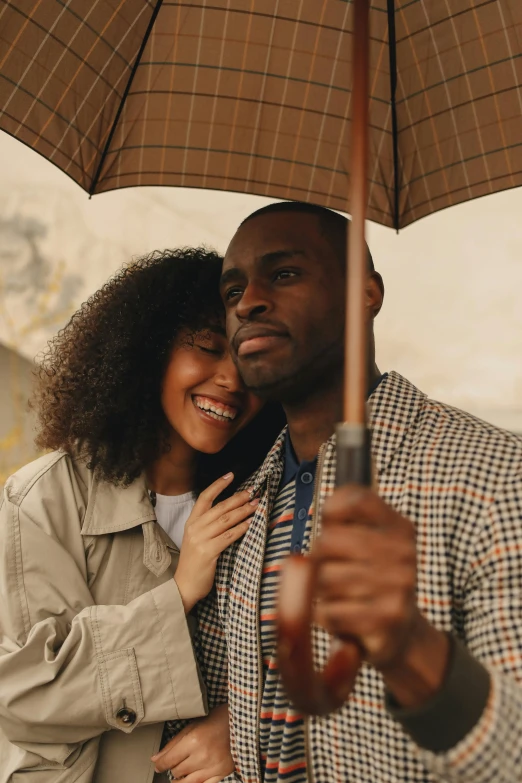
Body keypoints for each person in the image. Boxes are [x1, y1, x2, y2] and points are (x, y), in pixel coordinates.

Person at [154, 203, 522, 783]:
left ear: (366, 293)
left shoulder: (494, 476)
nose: (247, 302)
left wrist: (412, 651)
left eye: (284, 274)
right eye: (232, 292)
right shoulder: (238, 513)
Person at [0, 247, 285, 783]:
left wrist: (244, 727)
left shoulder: (265, 502)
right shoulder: (45, 499)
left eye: (249, 360)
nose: (231, 379)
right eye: (207, 347)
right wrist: (177, 592)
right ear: (148, 350)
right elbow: (24, 693)